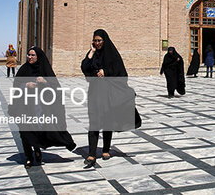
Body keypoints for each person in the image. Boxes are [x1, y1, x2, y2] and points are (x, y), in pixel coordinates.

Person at [12, 47, 76, 169]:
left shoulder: (44, 69)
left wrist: (45, 82)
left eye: (32, 55)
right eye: (28, 55)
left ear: (38, 57)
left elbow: (56, 87)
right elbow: (16, 85)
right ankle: (29, 157)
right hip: (25, 106)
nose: (29, 57)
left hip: (39, 107)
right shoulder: (24, 69)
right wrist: (26, 85)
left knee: (36, 130)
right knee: (24, 131)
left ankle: (37, 149)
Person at [81, 29, 134, 168]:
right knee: (94, 121)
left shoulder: (112, 56)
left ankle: (105, 149)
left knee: (107, 122)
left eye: (99, 41)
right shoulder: (92, 54)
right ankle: (92, 153)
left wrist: (107, 72)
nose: (97, 43)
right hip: (95, 93)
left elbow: (122, 74)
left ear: (105, 41)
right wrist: (91, 52)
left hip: (109, 94)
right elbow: (84, 68)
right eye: (95, 41)